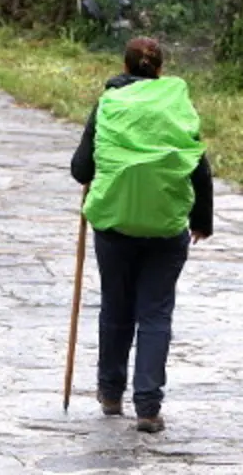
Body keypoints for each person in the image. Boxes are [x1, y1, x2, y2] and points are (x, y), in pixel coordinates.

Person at [71, 37, 213, 434]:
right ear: (161, 69)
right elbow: (199, 166)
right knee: (155, 313)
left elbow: (81, 169)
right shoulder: (177, 104)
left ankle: (111, 393)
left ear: (125, 66)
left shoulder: (109, 105)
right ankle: (148, 407)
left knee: (116, 307)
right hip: (167, 227)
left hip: (114, 224)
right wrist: (202, 220)